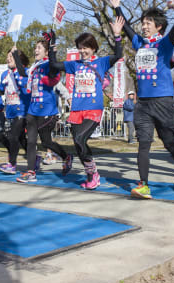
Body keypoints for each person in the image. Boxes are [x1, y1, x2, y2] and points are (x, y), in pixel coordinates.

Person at [109, 0, 174, 199]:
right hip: (143, 104)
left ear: (158, 27)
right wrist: (117, 7)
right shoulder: (139, 43)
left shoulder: (165, 44)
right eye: (143, 22)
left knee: (169, 143)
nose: (144, 25)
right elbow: (126, 27)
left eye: (148, 22)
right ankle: (144, 185)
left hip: (163, 102)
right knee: (144, 143)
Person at [49, 17, 124, 189]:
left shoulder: (101, 62)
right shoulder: (74, 65)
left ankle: (94, 174)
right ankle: (91, 175)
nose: (83, 51)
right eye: (80, 48)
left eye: (86, 48)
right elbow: (53, 64)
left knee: (81, 138)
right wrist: (52, 45)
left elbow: (119, 55)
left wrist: (117, 35)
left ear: (93, 48)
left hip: (93, 109)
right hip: (76, 109)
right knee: (77, 143)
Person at [16, 35, 72, 183]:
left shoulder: (48, 65)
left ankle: (66, 157)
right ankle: (31, 172)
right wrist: (16, 55)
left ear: (46, 52)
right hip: (32, 111)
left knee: (46, 142)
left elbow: (55, 71)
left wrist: (52, 46)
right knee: (32, 141)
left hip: (47, 111)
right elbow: (22, 72)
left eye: (39, 48)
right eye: (35, 48)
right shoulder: (34, 68)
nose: (35, 50)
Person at [0, 47, 30, 175]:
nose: (8, 59)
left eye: (11, 57)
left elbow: (25, 85)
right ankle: (35, 156)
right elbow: (1, 91)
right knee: (20, 139)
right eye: (8, 57)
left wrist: (17, 72)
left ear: (18, 58)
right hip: (10, 111)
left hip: (22, 110)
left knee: (13, 136)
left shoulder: (24, 72)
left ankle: (12, 164)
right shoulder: (5, 74)